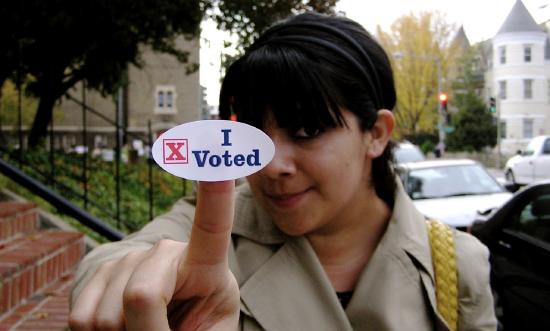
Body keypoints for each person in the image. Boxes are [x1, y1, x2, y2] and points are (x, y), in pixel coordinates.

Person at [69, 12, 497, 331]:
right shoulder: (212, 238)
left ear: (376, 133)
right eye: (254, 134)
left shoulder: (456, 265)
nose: (273, 166)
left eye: (308, 129)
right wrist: (123, 280)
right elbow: (124, 257)